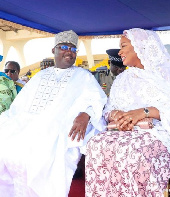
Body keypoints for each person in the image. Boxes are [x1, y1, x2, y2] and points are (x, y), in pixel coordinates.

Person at [85, 28, 170, 196]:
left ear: (140, 46)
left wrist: (143, 112)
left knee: (137, 151)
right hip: (123, 130)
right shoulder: (122, 78)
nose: (120, 52)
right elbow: (109, 109)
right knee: (95, 144)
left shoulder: (166, 75)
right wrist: (116, 114)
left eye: (123, 46)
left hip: (157, 131)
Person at [0, 30, 107, 197]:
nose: (69, 52)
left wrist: (86, 114)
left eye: (73, 49)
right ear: (53, 50)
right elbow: (18, 107)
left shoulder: (83, 76)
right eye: (64, 47)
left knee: (39, 154)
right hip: (25, 123)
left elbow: (97, 100)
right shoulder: (40, 75)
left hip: (56, 126)